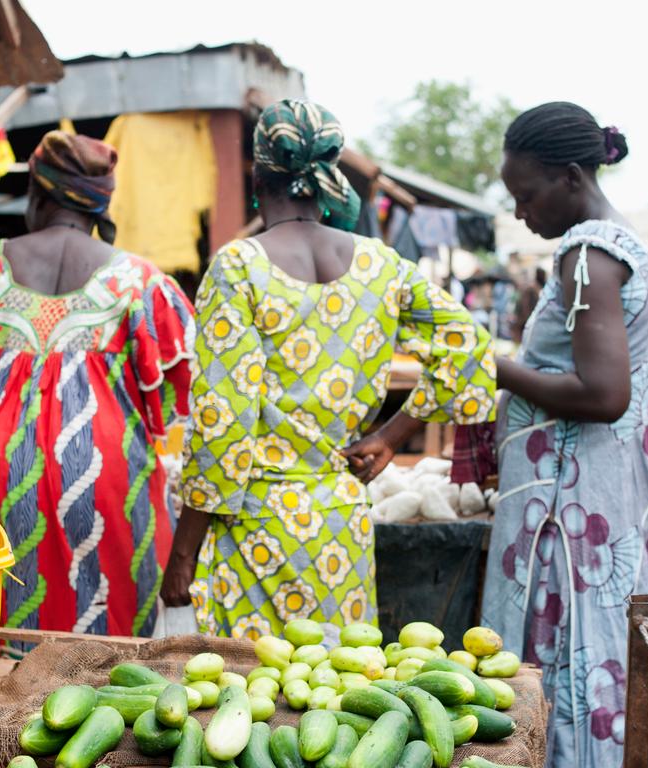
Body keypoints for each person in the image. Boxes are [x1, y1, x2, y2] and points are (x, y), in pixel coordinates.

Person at [162, 100, 498, 638]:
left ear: (259, 173)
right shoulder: (380, 264)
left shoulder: (239, 267)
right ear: (327, 179)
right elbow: (471, 348)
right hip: (340, 520)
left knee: (256, 696)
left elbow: (222, 421)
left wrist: (183, 552)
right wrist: (392, 434)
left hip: (258, 527)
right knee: (331, 692)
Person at [0, 131, 195, 637]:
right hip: (107, 479)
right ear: (99, 204)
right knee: (112, 652)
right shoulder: (140, 281)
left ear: (37, 195)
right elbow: (173, 400)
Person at [479, 102, 648, 767]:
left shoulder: (589, 254)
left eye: (526, 194)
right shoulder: (614, 246)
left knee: (566, 662)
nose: (519, 212)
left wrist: (493, 366)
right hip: (595, 505)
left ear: (569, 178)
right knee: (588, 659)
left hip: (569, 518)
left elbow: (602, 394)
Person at [510, 266, 547, 342]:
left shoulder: (529, 291)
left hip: (527, 328)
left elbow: (526, 311)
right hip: (527, 328)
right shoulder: (530, 291)